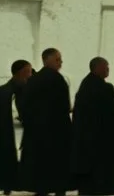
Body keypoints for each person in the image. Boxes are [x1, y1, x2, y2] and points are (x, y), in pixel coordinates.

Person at [19, 47, 72, 195]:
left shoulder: (33, 80)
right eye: (57, 59)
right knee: (57, 170)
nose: (60, 62)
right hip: (56, 133)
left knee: (40, 171)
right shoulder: (57, 79)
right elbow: (64, 107)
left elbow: (24, 107)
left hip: (36, 134)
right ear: (46, 60)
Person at [70, 57, 114, 195]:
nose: (108, 69)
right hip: (100, 137)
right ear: (97, 68)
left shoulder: (86, 85)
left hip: (86, 138)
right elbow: (110, 113)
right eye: (106, 66)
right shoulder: (104, 88)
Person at [0, 60, 32, 196]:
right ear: (22, 73)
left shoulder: (8, 91)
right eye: (29, 71)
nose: (31, 75)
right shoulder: (7, 92)